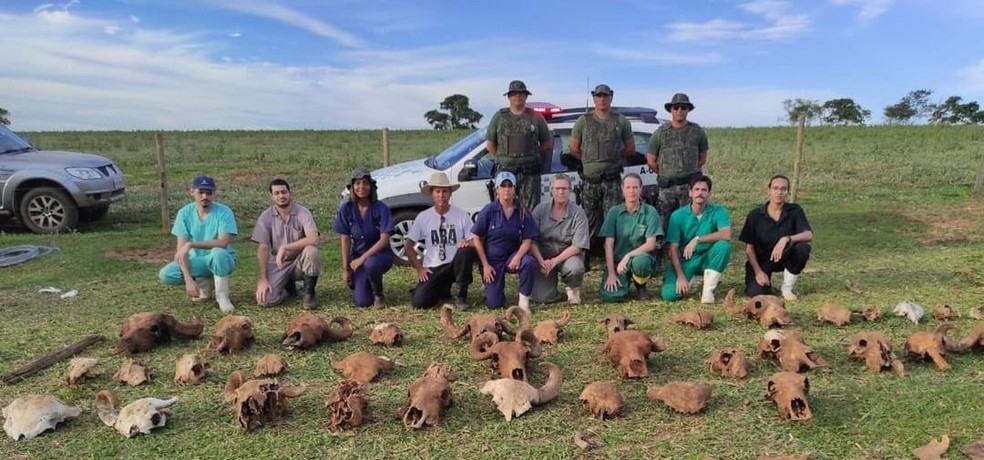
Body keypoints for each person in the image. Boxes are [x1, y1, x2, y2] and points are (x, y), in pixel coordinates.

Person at [158, 175, 238, 313]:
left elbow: (223, 242)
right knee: (166, 274)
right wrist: (189, 280)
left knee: (217, 252)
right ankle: (205, 285)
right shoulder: (184, 213)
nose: (204, 196)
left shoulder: (224, 212)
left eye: (209, 192)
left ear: (214, 193)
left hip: (222, 259)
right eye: (200, 192)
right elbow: (181, 250)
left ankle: (222, 296)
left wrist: (192, 245)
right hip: (198, 260)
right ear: (192, 192)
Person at [570, 84, 636, 238]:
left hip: (612, 180)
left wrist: (612, 158)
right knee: (588, 218)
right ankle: (588, 252)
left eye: (605, 96)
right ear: (594, 98)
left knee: (614, 217)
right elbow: (573, 148)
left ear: (610, 97)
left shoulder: (621, 121)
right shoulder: (583, 121)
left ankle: (614, 252)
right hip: (590, 181)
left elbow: (631, 148)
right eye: (599, 96)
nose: (602, 99)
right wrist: (589, 160)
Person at [405, 172, 477, 309]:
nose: (441, 195)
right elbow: (408, 246)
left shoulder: (461, 215)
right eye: (437, 191)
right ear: (431, 193)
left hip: (454, 265)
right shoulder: (423, 217)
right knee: (419, 303)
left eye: (445, 191)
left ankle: (461, 294)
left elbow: (476, 240)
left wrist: (467, 243)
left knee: (466, 251)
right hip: (433, 267)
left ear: (450, 193)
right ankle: (439, 290)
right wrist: (420, 269)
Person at [471, 171, 540, 311]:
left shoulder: (522, 211)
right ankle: (491, 291)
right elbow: (476, 238)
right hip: (493, 260)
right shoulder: (488, 211)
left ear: (515, 189)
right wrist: (485, 265)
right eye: (503, 186)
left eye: (510, 186)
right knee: (494, 304)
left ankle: (524, 302)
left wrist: (518, 257)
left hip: (512, 255)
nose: (506, 189)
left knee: (528, 262)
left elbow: (528, 240)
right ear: (497, 190)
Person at [739, 174, 813, 300]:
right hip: (762, 261)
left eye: (783, 189)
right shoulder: (755, 215)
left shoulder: (794, 210)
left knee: (803, 248)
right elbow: (749, 249)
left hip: (785, 256)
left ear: (788, 192)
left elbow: (808, 235)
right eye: (775, 188)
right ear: (768, 190)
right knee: (757, 294)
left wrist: (786, 239)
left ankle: (787, 288)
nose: (779, 192)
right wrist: (758, 272)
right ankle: (766, 284)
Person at [251, 178, 321, 309]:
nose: (281, 196)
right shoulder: (265, 217)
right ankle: (286, 289)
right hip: (278, 263)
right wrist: (263, 279)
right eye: (276, 193)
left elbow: (314, 238)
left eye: (284, 192)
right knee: (265, 300)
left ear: (290, 193)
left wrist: (285, 247)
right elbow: (263, 248)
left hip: (300, 262)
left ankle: (309, 294)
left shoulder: (303, 212)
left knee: (312, 251)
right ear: (271, 196)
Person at [661, 175, 732, 303]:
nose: (700, 193)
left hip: (708, 257)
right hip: (687, 260)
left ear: (709, 194)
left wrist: (698, 239)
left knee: (723, 246)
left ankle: (708, 291)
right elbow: (673, 249)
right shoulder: (678, 216)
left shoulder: (719, 211)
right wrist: (681, 277)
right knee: (669, 295)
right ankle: (689, 278)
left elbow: (726, 234)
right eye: (697, 189)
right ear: (690, 193)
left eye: (704, 190)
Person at [486, 80, 553, 211]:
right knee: (504, 211)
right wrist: (505, 158)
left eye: (521, 94)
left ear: (526, 96)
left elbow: (547, 144)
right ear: (509, 97)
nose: (518, 96)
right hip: (505, 174)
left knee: (530, 213)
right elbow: (490, 145)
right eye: (514, 94)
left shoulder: (536, 117)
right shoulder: (499, 117)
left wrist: (531, 154)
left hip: (530, 175)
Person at [646, 93, 710, 229]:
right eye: (676, 107)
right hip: (667, 188)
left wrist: (689, 171)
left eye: (683, 107)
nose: (679, 110)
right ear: (671, 110)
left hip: (689, 187)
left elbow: (702, 158)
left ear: (688, 110)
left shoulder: (697, 132)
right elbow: (651, 160)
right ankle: (663, 249)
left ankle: (688, 249)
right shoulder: (661, 133)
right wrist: (664, 173)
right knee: (664, 223)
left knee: (689, 223)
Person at [333, 169, 394, 308]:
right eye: (357, 183)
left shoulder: (381, 208)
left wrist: (362, 259)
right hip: (358, 256)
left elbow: (384, 240)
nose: (361, 187)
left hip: (380, 255)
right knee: (362, 302)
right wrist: (346, 268)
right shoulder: (346, 208)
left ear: (371, 186)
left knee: (371, 264)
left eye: (365, 183)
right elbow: (345, 238)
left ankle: (378, 294)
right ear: (352, 187)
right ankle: (361, 283)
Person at [598, 173, 663, 302]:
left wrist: (628, 256)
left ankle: (641, 285)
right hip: (618, 263)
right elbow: (608, 244)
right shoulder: (614, 212)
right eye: (628, 187)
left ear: (641, 188)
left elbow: (650, 244)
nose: (631, 191)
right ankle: (622, 281)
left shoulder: (650, 212)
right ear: (622, 189)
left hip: (640, 258)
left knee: (641, 263)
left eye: (635, 187)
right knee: (610, 296)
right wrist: (611, 273)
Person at [529, 174, 590, 304]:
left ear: (570, 190)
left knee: (575, 268)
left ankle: (573, 288)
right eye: (557, 188)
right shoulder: (540, 210)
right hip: (543, 258)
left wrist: (554, 261)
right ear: (551, 190)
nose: (560, 192)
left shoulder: (578, 213)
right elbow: (531, 240)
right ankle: (553, 292)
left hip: (567, 256)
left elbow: (578, 246)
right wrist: (541, 261)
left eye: (564, 188)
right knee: (543, 298)